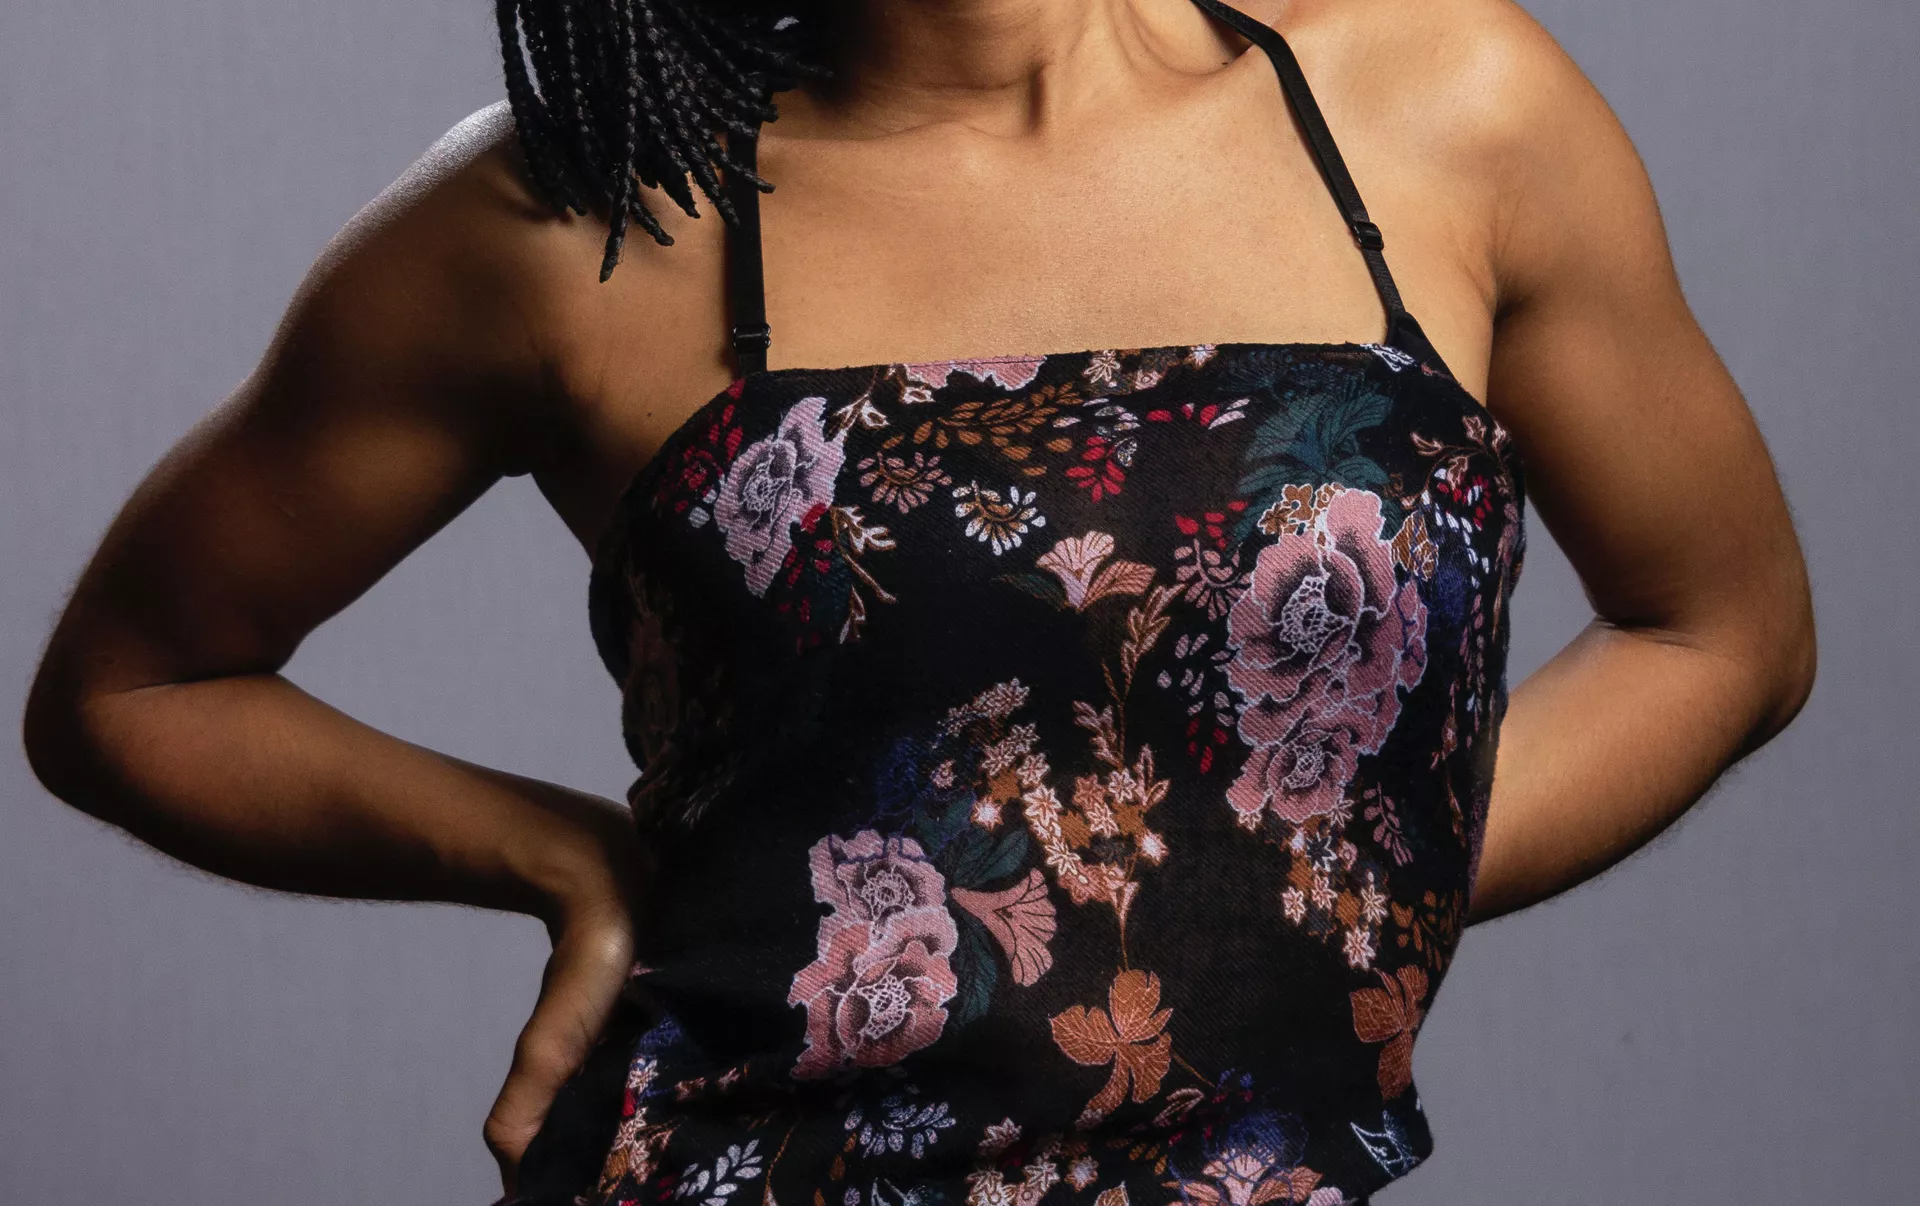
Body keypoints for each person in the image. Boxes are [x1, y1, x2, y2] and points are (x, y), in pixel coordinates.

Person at [22, 0, 1816, 1201]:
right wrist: (566, 861)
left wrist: (1319, 876)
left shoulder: (1447, 111)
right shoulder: (580, 221)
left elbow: (1723, 625)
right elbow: (130, 686)